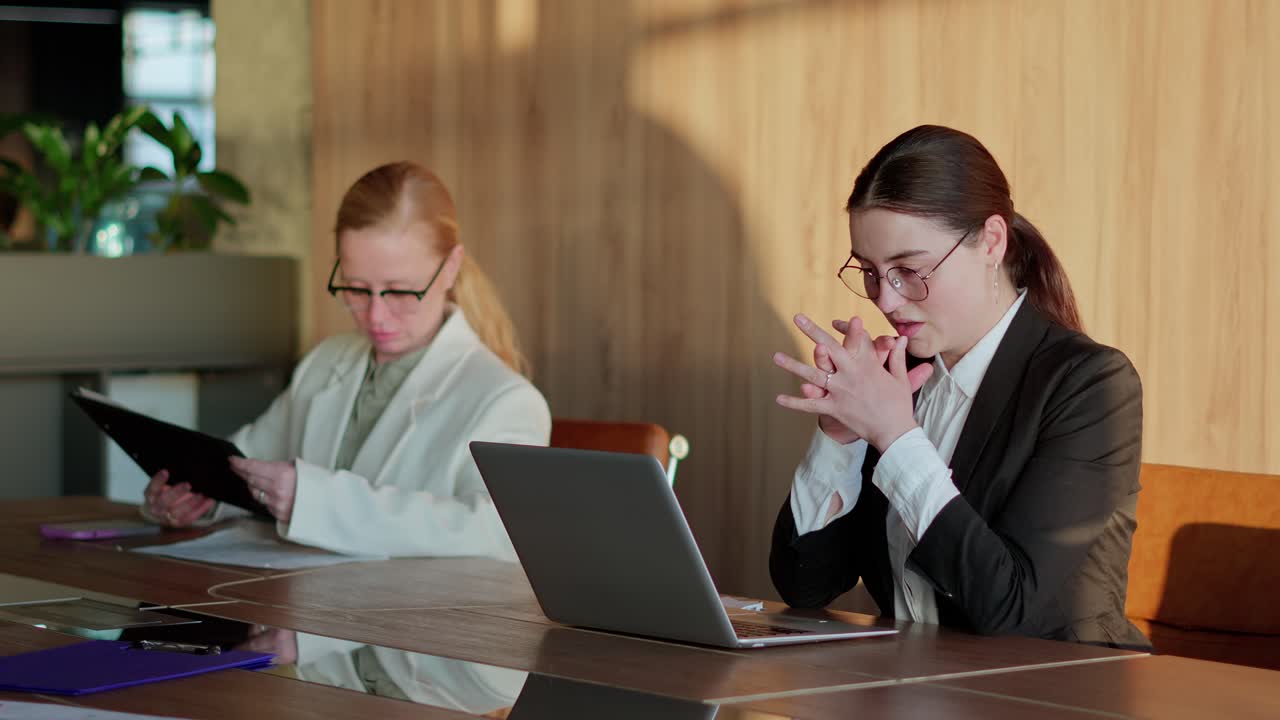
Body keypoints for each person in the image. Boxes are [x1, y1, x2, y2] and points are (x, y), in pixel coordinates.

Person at [769, 125, 1149, 649]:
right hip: (913, 691)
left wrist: (897, 437)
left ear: (991, 242)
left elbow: (1008, 608)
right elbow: (805, 587)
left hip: (1054, 697)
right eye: (871, 272)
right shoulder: (899, 379)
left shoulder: (1090, 386)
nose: (886, 299)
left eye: (909, 269)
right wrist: (841, 436)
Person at [141, 162, 550, 561]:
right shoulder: (328, 362)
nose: (375, 316)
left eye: (400, 291)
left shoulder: (506, 401)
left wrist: (317, 503)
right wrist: (199, 499)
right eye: (356, 289)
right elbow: (247, 464)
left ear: (450, 269)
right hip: (297, 611)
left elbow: (501, 536)